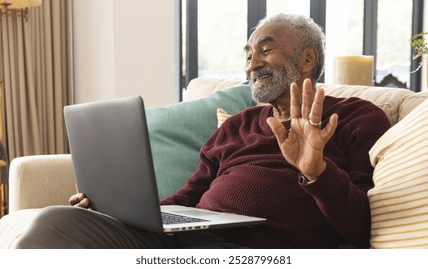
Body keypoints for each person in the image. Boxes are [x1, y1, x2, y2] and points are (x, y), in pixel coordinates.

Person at [14, 13, 390, 249]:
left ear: (308, 59)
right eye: (248, 55)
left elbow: (361, 229)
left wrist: (316, 171)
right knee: (57, 221)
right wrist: (114, 211)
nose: (251, 65)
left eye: (265, 50)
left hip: (256, 254)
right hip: (186, 240)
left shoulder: (357, 118)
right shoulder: (239, 125)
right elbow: (188, 198)